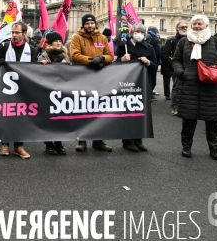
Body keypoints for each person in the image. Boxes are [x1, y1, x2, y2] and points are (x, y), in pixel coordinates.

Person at [173, 15, 217, 161]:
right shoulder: (184, 41)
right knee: (188, 120)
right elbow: (176, 60)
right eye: (194, 24)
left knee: (212, 120)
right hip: (189, 84)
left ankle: (214, 149)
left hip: (211, 86)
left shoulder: (215, 41)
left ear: (207, 26)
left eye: (200, 24)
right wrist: (181, 73)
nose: (197, 26)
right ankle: (186, 147)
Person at [0, 21, 38, 159]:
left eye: (17, 33)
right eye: (13, 32)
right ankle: (5, 144)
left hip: (23, 89)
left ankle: (18, 146)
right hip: (6, 89)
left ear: (24, 34)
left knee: (21, 118)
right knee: (6, 115)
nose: (14, 35)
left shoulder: (31, 49)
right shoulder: (5, 46)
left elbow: (35, 68)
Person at [71, 13, 114, 152]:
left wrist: (101, 58)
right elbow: (75, 55)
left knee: (99, 109)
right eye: (87, 23)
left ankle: (98, 140)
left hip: (99, 78)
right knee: (83, 108)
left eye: (92, 23)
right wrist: (91, 61)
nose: (90, 26)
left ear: (95, 24)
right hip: (83, 78)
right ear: (83, 25)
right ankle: (81, 141)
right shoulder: (76, 37)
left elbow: (110, 55)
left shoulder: (102, 37)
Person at [118, 24, 157, 152]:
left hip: (143, 83)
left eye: (141, 31)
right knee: (128, 112)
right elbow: (114, 64)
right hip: (127, 84)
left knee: (141, 112)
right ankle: (128, 141)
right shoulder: (123, 46)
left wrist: (148, 62)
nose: (139, 33)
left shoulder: (149, 47)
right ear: (131, 33)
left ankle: (138, 140)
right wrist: (121, 59)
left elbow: (155, 66)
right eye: (136, 31)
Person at [37, 31, 70, 155]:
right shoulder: (44, 56)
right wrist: (43, 66)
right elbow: (38, 73)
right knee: (48, 118)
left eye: (60, 41)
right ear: (50, 43)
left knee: (59, 119)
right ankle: (49, 144)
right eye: (55, 41)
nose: (58, 43)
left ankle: (59, 143)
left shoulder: (65, 56)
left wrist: (66, 66)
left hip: (62, 90)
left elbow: (72, 73)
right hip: (48, 90)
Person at [162, 21, 188, 112]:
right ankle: (175, 107)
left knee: (187, 88)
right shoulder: (171, 40)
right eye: (182, 27)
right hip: (177, 68)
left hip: (189, 67)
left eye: (186, 27)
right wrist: (173, 63)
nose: (185, 28)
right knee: (177, 87)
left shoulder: (191, 39)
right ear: (177, 29)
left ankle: (184, 105)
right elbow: (165, 54)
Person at [145, 26, 162, 99]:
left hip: (145, 60)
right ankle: (150, 93)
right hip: (153, 61)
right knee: (152, 78)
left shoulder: (145, 38)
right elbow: (158, 52)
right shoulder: (155, 39)